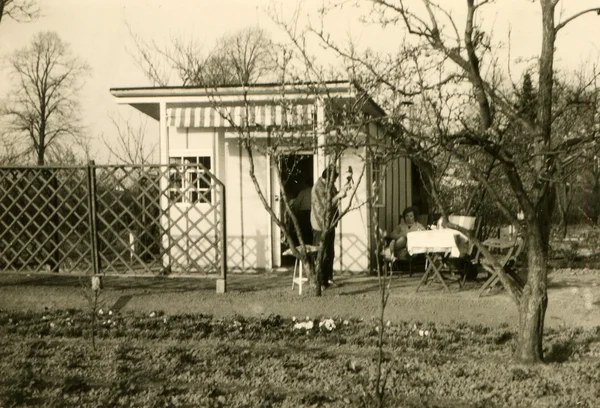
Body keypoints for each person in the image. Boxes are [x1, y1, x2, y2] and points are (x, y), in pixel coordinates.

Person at [311, 166, 349, 288]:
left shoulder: (329, 185)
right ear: (327, 177)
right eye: (333, 179)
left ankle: (328, 280)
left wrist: (342, 191)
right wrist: (338, 196)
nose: (334, 182)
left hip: (330, 223)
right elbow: (326, 205)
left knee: (330, 252)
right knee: (321, 253)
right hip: (320, 224)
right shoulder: (318, 188)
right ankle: (320, 282)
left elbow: (333, 198)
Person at [291, 177, 313, 245]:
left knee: (303, 234)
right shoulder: (314, 191)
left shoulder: (303, 192)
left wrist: (294, 215)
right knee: (311, 234)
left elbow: (296, 205)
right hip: (312, 213)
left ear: (305, 184)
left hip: (304, 214)